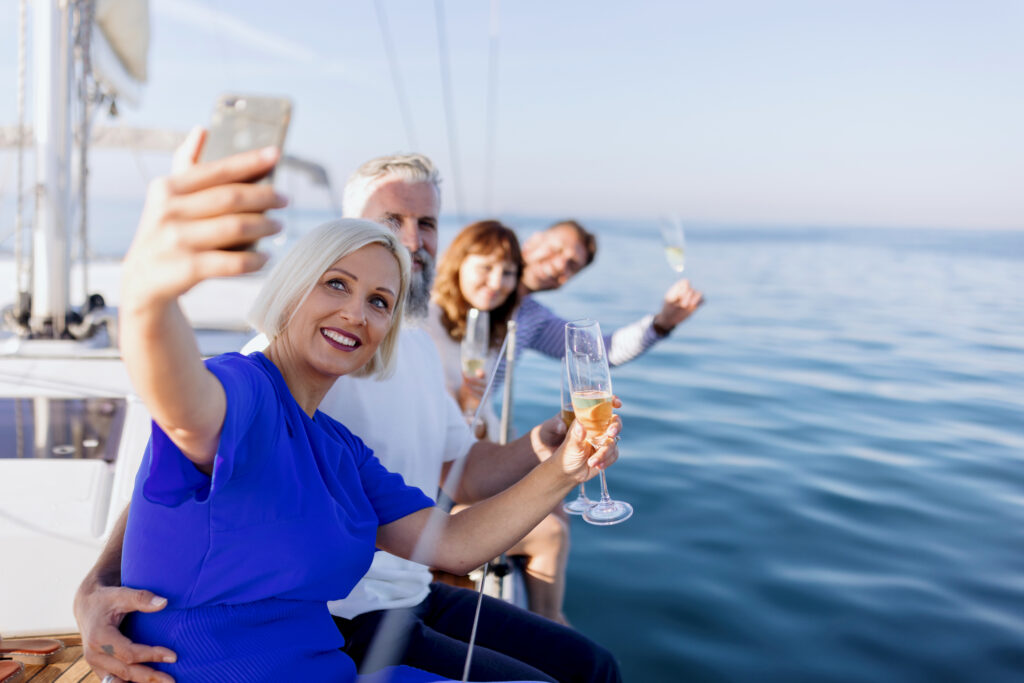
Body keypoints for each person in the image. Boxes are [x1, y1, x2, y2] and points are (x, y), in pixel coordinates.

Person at [74, 150, 624, 683]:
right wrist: (147, 295)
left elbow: (455, 534)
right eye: (337, 282)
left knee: (590, 668)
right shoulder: (249, 382)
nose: (356, 312)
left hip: (386, 615)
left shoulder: (353, 433)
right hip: (351, 622)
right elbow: (182, 421)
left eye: (380, 300)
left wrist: (566, 466)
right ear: (299, 282)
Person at [503, 219, 705, 377]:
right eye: (556, 249)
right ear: (532, 241)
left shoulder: (531, 318)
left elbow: (600, 352)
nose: (559, 265)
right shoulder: (476, 286)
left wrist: (663, 323)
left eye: (571, 265)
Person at [426, 220, 523, 438]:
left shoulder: (489, 326)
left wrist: (471, 409)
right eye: (486, 268)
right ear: (458, 263)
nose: (497, 282)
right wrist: (465, 406)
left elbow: (480, 420)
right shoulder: (424, 320)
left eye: (508, 272)